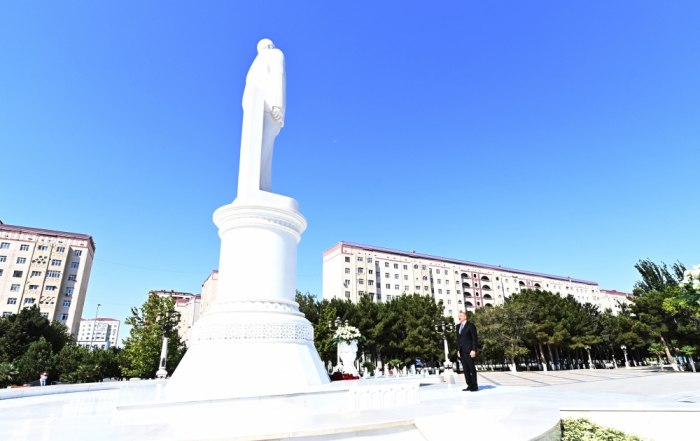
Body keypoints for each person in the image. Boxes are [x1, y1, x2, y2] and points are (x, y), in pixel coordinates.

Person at [456, 312, 478, 391]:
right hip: (461, 351)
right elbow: (458, 339)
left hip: (469, 350)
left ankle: (474, 386)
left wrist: (473, 350)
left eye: (460, 316)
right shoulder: (458, 327)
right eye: (458, 316)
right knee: (465, 369)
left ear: (465, 317)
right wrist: (458, 350)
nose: (459, 317)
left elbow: (474, 339)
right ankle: (469, 385)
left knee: (471, 368)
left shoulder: (470, 326)